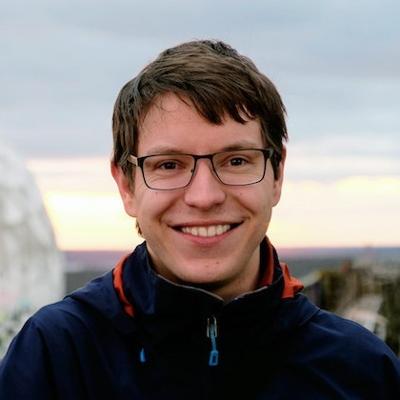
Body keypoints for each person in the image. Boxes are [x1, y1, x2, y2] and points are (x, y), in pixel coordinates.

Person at [1, 40, 399, 400]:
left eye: (236, 160)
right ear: (126, 186)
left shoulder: (360, 371)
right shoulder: (57, 357)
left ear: (276, 176)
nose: (204, 197)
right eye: (169, 164)